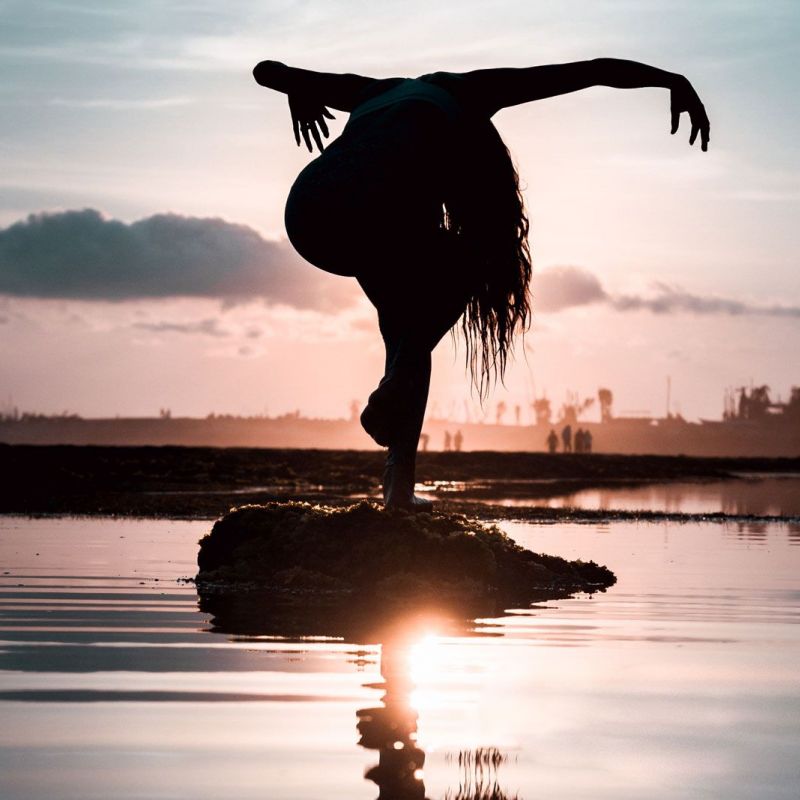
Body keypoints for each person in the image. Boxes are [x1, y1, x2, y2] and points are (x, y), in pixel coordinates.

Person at [252, 58, 709, 510]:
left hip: (311, 210)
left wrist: (300, 91)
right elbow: (588, 71)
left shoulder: (369, 91)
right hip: (384, 201)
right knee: (469, 270)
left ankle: (398, 488)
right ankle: (395, 394)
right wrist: (670, 78)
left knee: (406, 335)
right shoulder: (471, 93)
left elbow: (267, 70)